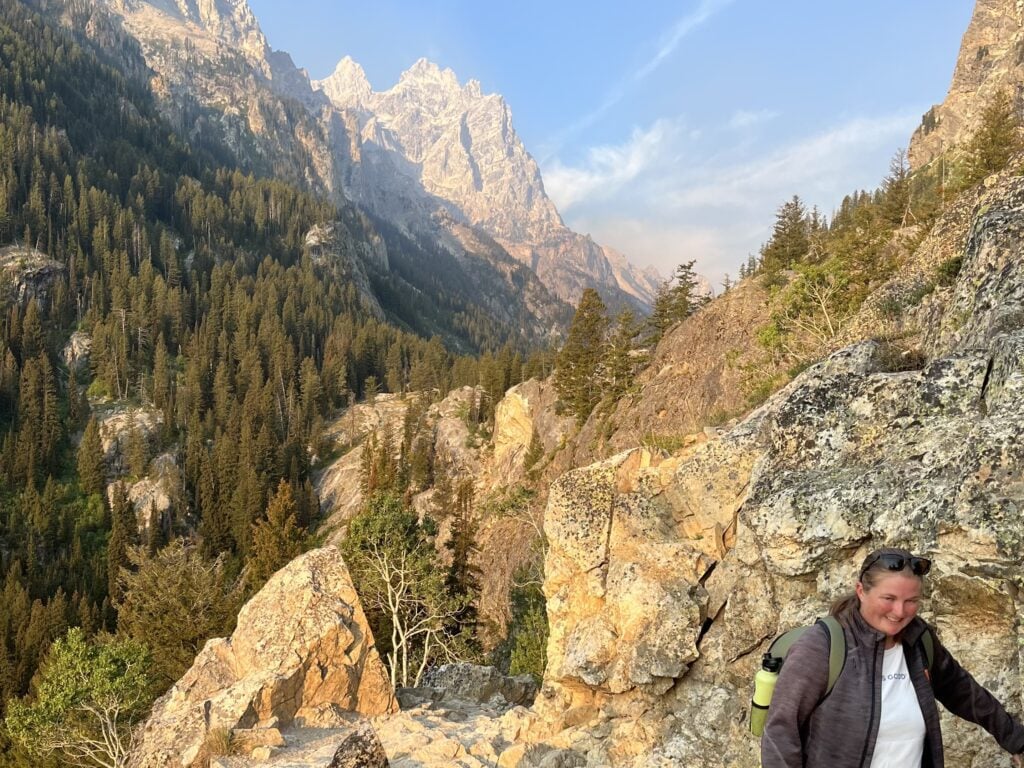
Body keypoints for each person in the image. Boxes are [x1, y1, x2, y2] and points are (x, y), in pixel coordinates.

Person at [761, 547, 1024, 767]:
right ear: (861, 591)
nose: (899, 611)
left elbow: (962, 691)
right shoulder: (823, 646)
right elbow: (781, 732)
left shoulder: (919, 640)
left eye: (911, 600)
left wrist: (1016, 739)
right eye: (889, 598)